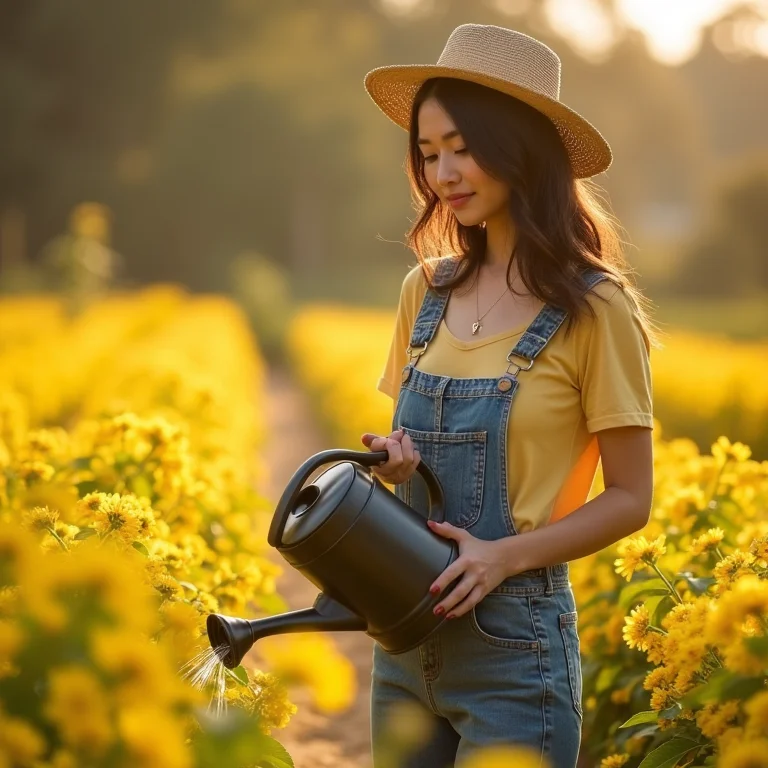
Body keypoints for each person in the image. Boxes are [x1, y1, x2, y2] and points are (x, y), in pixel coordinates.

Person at [359, 23, 657, 768]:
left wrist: (502, 558)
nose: (443, 174)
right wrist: (399, 468)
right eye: (428, 155)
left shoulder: (596, 308)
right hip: (404, 646)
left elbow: (631, 497)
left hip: (515, 654)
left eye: (463, 147)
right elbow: (419, 462)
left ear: (519, 146)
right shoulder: (422, 292)